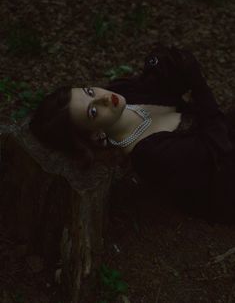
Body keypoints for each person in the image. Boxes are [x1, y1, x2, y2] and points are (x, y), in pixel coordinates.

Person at [29, 43, 235, 225]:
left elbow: (164, 74)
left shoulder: (124, 93)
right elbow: (220, 146)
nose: (105, 99)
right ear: (94, 134)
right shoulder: (149, 154)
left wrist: (167, 63)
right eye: (93, 111)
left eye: (89, 92)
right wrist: (198, 85)